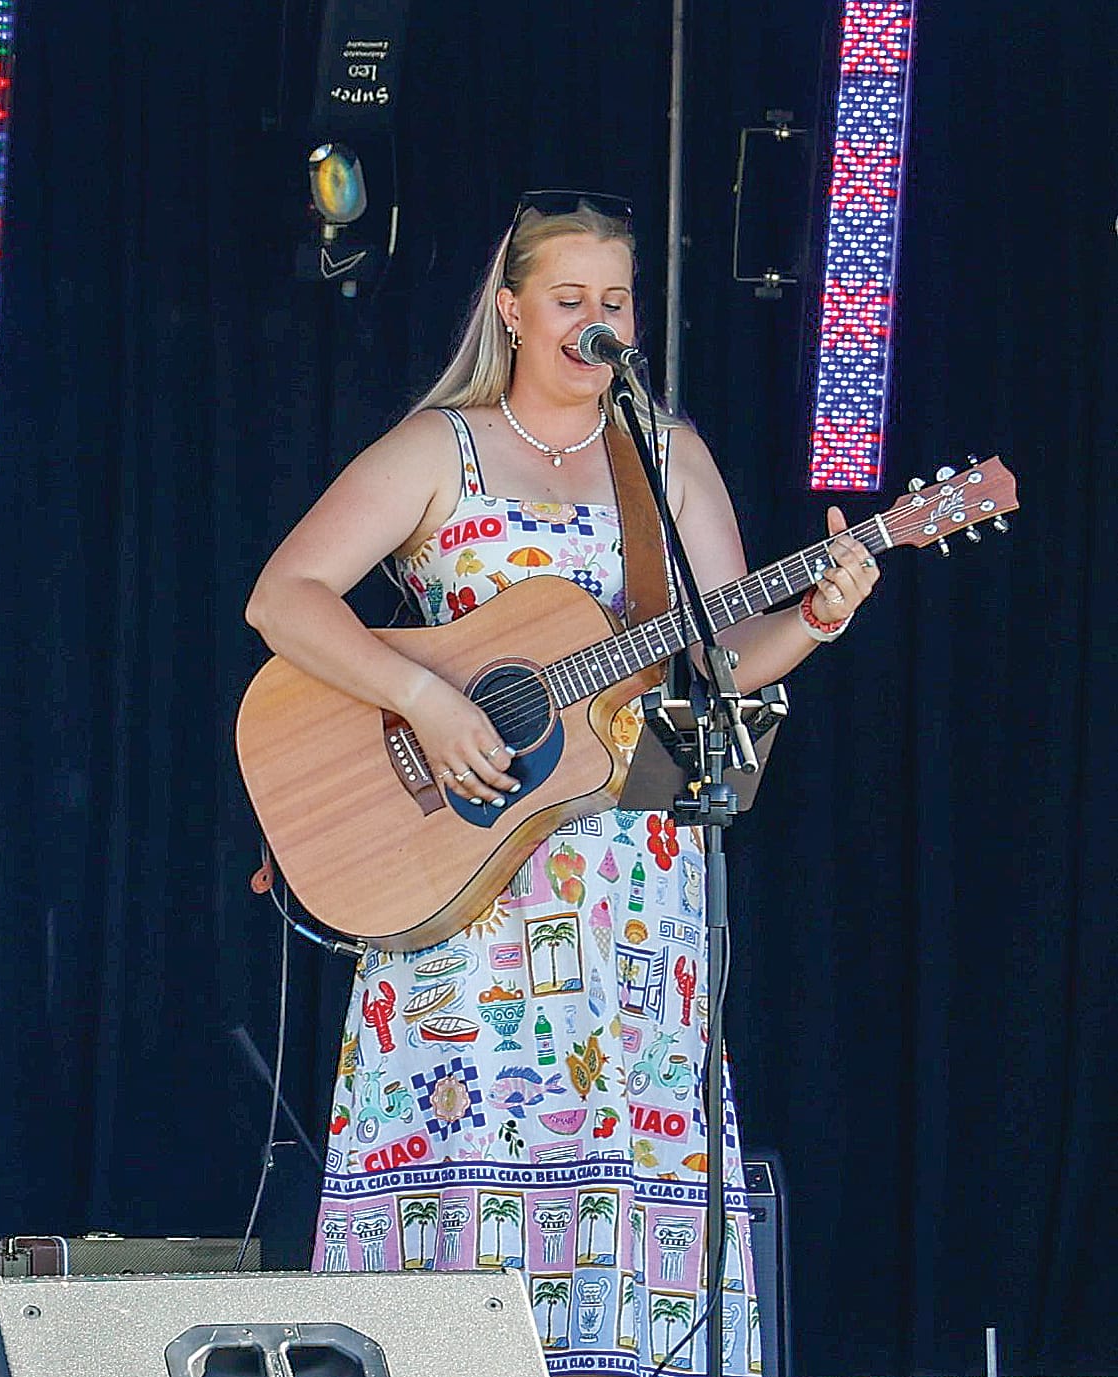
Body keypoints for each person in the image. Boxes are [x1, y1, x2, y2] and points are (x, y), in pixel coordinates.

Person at [246, 193, 877, 1373]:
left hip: (630, 887)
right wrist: (431, 698)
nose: (594, 324)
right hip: (461, 875)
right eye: (569, 301)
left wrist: (818, 617)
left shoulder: (664, 455)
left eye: (614, 302)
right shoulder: (445, 446)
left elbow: (716, 662)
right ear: (512, 308)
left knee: (627, 1189)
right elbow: (282, 597)